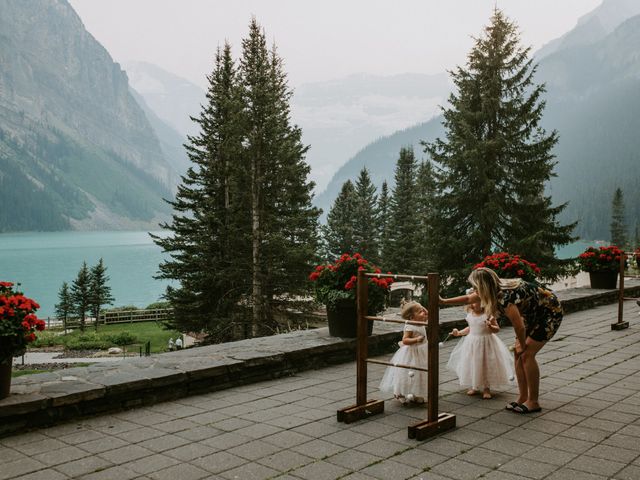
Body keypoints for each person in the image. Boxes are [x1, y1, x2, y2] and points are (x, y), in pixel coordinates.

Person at [441, 267, 563, 414]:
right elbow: (467, 299)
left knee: (526, 354)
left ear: (483, 287)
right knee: (518, 355)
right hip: (532, 313)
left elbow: (519, 327)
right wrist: (442, 301)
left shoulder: (505, 298)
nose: (473, 290)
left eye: (475, 287)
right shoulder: (492, 288)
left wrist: (522, 345)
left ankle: (533, 401)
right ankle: (523, 397)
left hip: (549, 312)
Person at [446, 288, 514, 399]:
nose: (472, 305)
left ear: (483, 302)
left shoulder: (488, 314)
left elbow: (497, 329)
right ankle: (474, 385)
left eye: (475, 302)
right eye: (470, 303)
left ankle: (487, 388)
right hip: (472, 343)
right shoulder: (470, 314)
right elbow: (470, 328)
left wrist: (491, 326)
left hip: (486, 343)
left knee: (486, 364)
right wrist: (458, 333)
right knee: (473, 363)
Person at [379, 301, 429, 404]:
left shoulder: (422, 321)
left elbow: (428, 313)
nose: (424, 313)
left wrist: (420, 306)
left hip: (421, 352)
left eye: (423, 311)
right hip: (411, 353)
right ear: (411, 317)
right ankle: (400, 392)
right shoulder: (410, 326)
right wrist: (416, 340)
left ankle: (416, 393)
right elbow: (405, 340)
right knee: (407, 373)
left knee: (420, 373)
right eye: (420, 312)